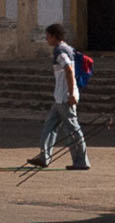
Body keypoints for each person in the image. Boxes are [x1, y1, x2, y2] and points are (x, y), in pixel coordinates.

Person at [27, 23, 90, 170]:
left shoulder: (60, 51)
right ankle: (44, 156)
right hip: (60, 97)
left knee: (73, 129)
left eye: (48, 36)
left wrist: (70, 93)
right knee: (49, 126)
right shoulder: (69, 48)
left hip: (65, 97)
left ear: (55, 36)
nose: (46, 39)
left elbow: (68, 70)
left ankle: (81, 161)